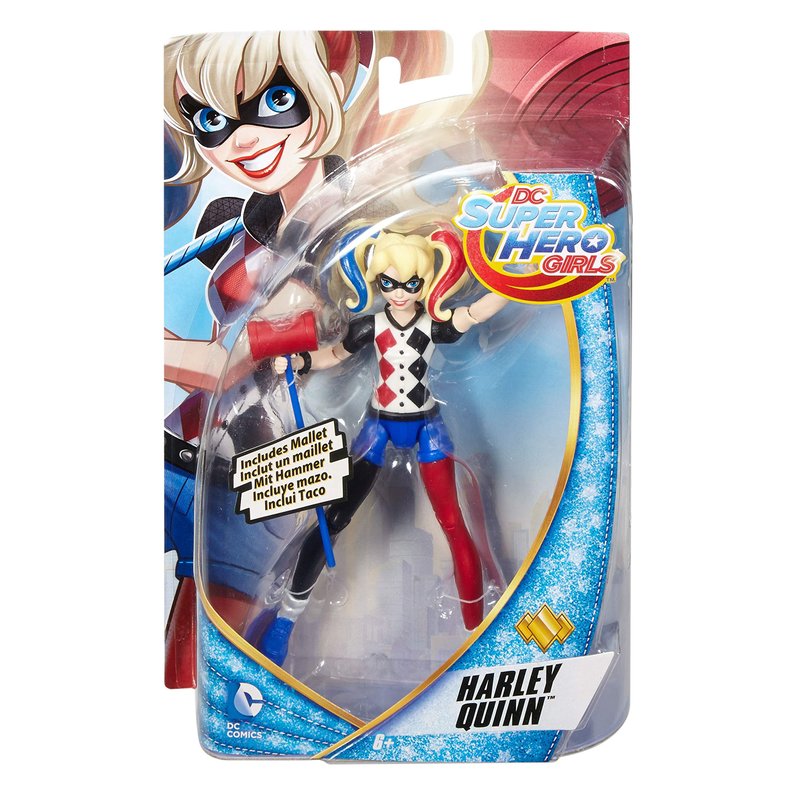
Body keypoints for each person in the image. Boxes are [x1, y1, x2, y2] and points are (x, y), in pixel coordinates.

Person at [258, 228, 508, 666]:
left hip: (427, 426)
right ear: (377, 282)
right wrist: (299, 360)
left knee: (452, 523)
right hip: (377, 426)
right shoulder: (370, 326)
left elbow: (476, 313)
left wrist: (518, 282)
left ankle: (476, 629)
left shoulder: (433, 326)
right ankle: (286, 620)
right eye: (389, 282)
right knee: (335, 516)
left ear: (425, 283)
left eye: (411, 283)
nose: (399, 292)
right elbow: (335, 355)